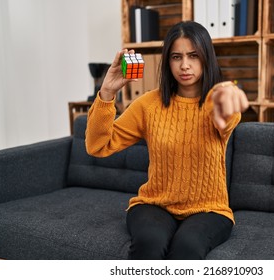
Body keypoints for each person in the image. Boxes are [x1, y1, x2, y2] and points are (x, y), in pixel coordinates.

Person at [85, 21, 249, 259]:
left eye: (193, 55)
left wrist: (228, 97)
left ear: (207, 58)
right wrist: (107, 92)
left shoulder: (216, 100)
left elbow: (227, 116)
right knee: (149, 243)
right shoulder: (148, 104)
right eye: (176, 57)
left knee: (187, 247)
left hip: (210, 209)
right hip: (154, 204)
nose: (185, 65)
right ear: (167, 61)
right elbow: (97, 145)